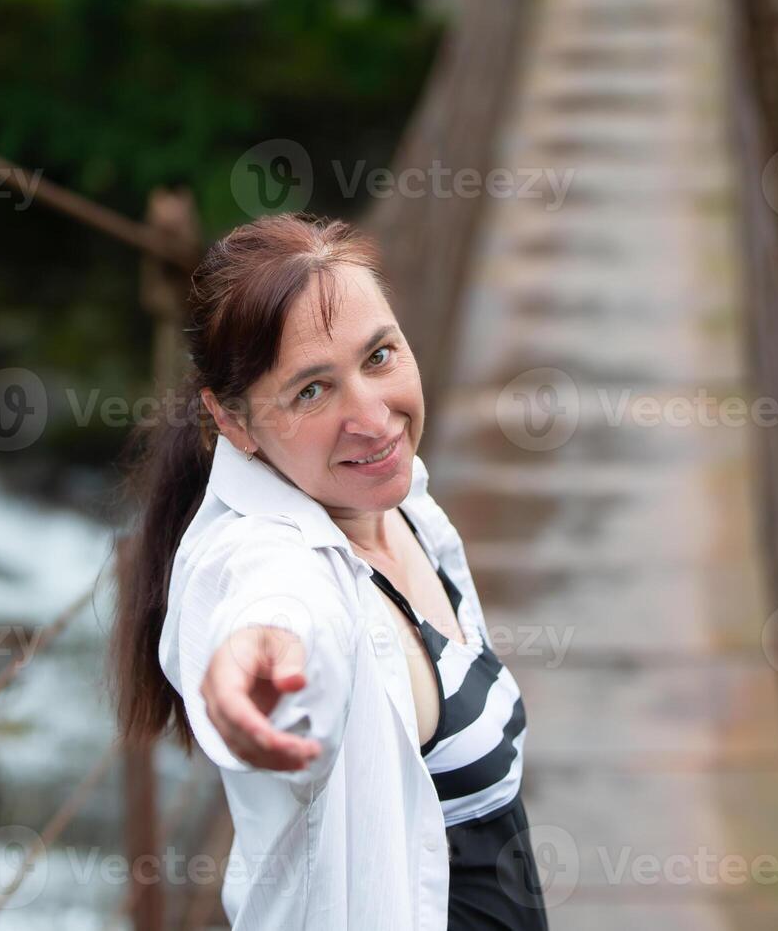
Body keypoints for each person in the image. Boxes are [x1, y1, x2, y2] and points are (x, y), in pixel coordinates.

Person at [112, 212, 548, 929]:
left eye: (378, 356)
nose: (374, 419)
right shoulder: (266, 553)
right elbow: (280, 601)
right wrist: (267, 650)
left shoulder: (401, 505)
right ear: (235, 423)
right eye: (312, 391)